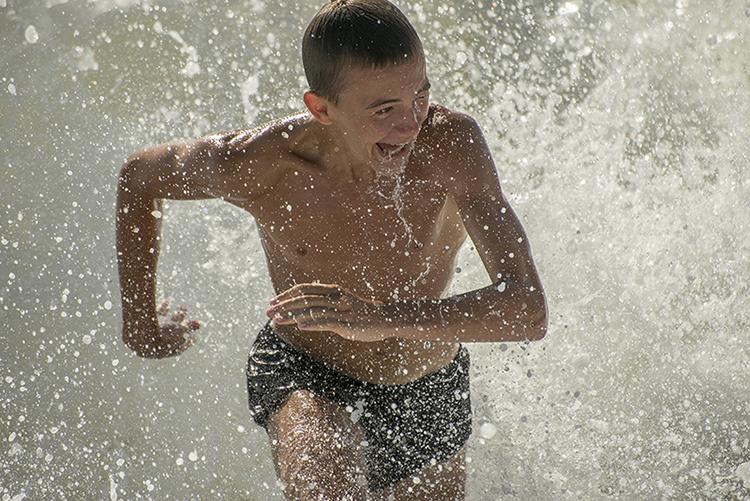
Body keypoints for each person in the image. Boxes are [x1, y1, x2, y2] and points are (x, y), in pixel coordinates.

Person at [116, 0, 547, 499]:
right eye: (384, 109)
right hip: (307, 373)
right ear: (321, 108)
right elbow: (139, 179)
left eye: (420, 96)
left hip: (428, 386)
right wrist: (140, 325)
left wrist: (381, 318)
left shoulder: (452, 146)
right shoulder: (265, 163)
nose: (411, 125)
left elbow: (527, 310)